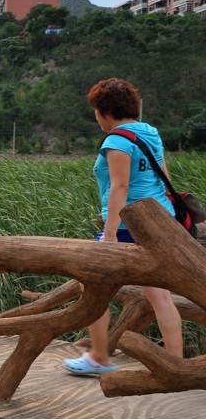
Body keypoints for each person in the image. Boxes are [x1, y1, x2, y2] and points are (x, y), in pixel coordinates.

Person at [64, 77, 183, 376]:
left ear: (105, 111)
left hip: (129, 225)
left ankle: (100, 357)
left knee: (91, 284)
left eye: (95, 110)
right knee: (160, 296)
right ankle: (176, 365)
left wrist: (111, 233)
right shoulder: (150, 133)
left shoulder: (116, 140)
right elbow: (164, 178)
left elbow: (120, 186)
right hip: (158, 221)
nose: (95, 116)